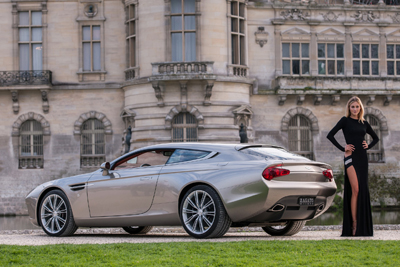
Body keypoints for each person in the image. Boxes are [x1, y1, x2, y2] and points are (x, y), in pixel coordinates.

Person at [327, 96, 379, 236]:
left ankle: (361, 225)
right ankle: (354, 224)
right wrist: (343, 148)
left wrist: (368, 145)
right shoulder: (345, 121)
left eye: (357, 106)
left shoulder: (364, 123)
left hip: (362, 158)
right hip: (350, 157)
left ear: (360, 108)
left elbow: (376, 138)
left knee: (361, 190)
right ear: (349, 108)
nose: (355, 109)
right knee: (355, 190)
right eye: (352, 107)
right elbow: (330, 135)